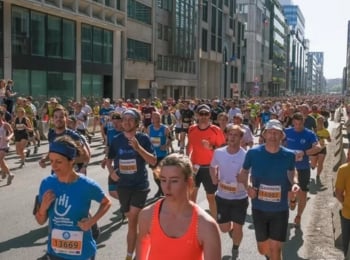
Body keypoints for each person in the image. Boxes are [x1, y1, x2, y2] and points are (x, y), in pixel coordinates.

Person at [34, 136, 111, 260]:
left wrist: (91, 222)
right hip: (55, 253)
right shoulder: (46, 184)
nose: (53, 166)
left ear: (71, 160)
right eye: (51, 161)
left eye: (58, 162)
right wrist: (43, 208)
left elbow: (106, 202)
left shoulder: (86, 184)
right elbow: (40, 221)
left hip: (82, 254)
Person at [136, 153, 221, 260]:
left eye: (174, 181)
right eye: (163, 180)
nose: (167, 187)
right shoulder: (146, 215)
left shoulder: (206, 226)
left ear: (189, 182)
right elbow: (142, 245)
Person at [237, 119, 300, 260]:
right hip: (259, 208)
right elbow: (244, 172)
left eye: (277, 133)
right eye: (270, 132)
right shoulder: (253, 153)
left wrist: (294, 182)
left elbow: (292, 171)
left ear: (282, 136)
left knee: (276, 248)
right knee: (263, 248)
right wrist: (248, 187)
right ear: (264, 135)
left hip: (280, 209)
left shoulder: (289, 154)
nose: (273, 135)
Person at [106, 109, 157, 260]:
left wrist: (138, 148)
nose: (126, 122)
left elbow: (153, 161)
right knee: (131, 217)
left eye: (130, 119)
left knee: (132, 218)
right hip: (123, 186)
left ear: (136, 123)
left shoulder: (144, 139)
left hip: (140, 185)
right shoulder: (116, 140)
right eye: (124, 119)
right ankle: (145, 238)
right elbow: (109, 159)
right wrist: (111, 171)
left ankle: (130, 255)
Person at [209, 124, 248, 259]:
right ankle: (231, 230)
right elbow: (212, 166)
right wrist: (214, 178)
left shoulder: (246, 155)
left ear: (241, 138)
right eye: (230, 134)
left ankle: (235, 247)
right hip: (222, 196)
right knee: (224, 228)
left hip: (240, 198)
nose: (232, 137)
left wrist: (245, 180)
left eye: (235, 135)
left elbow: (251, 175)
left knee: (238, 227)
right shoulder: (219, 152)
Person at [187, 104, 226, 218]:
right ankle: (192, 223)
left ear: (210, 115)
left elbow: (224, 148)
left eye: (206, 114)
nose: (204, 116)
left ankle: (214, 222)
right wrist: (186, 159)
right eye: (201, 114)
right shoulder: (192, 129)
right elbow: (189, 145)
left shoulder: (215, 130)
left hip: (210, 168)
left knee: (210, 197)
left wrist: (211, 147)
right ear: (197, 115)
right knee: (192, 196)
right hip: (195, 167)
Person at [284, 112, 321, 227]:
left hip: (303, 168)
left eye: (300, 124)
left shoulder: (309, 134)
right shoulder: (287, 131)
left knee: (303, 193)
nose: (298, 126)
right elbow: (279, 143)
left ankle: (299, 215)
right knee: (288, 192)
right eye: (295, 124)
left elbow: (318, 147)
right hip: (288, 167)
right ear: (293, 123)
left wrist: (304, 153)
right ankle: (292, 200)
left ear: (303, 122)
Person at [146, 111, 171, 198]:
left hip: (162, 155)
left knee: (161, 173)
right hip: (153, 155)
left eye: (158, 117)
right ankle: (160, 189)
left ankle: (162, 191)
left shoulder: (165, 128)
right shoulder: (149, 128)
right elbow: (147, 139)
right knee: (155, 175)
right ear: (152, 119)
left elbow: (171, 137)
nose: (157, 119)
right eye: (155, 117)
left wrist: (166, 145)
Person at [335, 149, 350, 258]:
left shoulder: (344, 169)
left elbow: (338, 193)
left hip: (347, 213)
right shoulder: (344, 169)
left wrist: (345, 203)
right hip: (347, 212)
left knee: (346, 243)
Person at [0, 110, 14, 185]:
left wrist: (9, 137)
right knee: (1, 161)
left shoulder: (5, 125)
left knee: (0, 159)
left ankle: (8, 173)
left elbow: (12, 132)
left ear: (1, 116)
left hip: (4, 145)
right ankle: (7, 173)